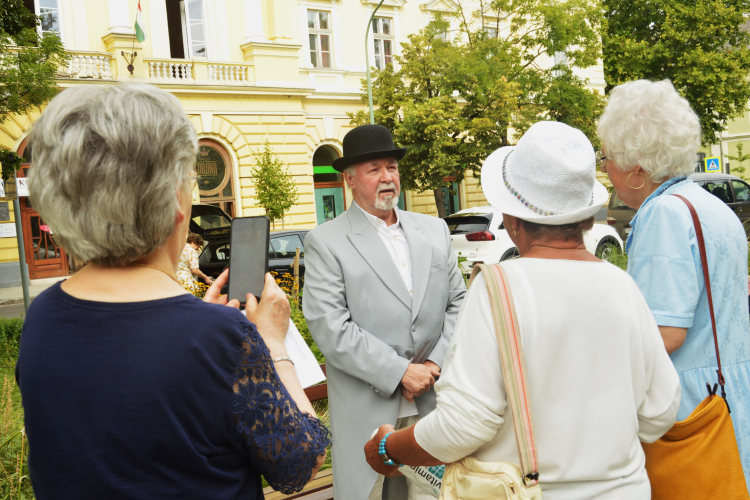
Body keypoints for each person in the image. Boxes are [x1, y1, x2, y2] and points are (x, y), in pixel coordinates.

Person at [15, 83, 330, 499]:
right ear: (176, 203)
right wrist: (272, 343)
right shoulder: (218, 337)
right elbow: (300, 464)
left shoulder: (43, 314)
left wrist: (197, 320)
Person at [363, 121, 682, 499]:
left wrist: (388, 447)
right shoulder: (621, 285)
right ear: (584, 218)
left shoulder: (499, 287)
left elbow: (463, 425)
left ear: (513, 221)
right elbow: (660, 411)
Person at [303, 124, 467, 500]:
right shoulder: (326, 242)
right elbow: (331, 328)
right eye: (373, 169)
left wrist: (434, 364)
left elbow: (460, 301)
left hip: (435, 402)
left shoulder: (435, 229)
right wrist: (399, 372)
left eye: (391, 166)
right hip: (370, 410)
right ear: (349, 179)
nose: (387, 177)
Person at [597, 79, 750, 483]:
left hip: (689, 407)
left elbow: (664, 334)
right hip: (730, 392)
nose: (605, 169)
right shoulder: (710, 206)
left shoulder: (663, 213)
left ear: (636, 170)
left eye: (606, 157)